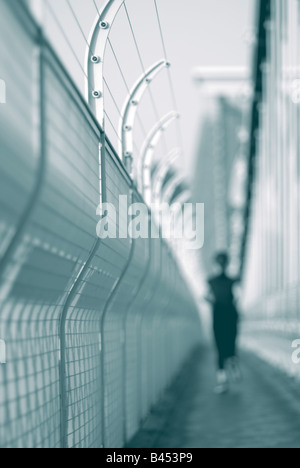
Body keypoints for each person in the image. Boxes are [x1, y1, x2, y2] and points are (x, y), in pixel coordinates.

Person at [207, 252, 241, 394]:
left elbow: (208, 297)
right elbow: (238, 298)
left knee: (222, 347)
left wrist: (213, 302)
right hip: (229, 316)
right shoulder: (233, 281)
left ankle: (223, 379)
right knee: (226, 345)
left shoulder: (211, 281)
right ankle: (230, 367)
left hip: (220, 316)